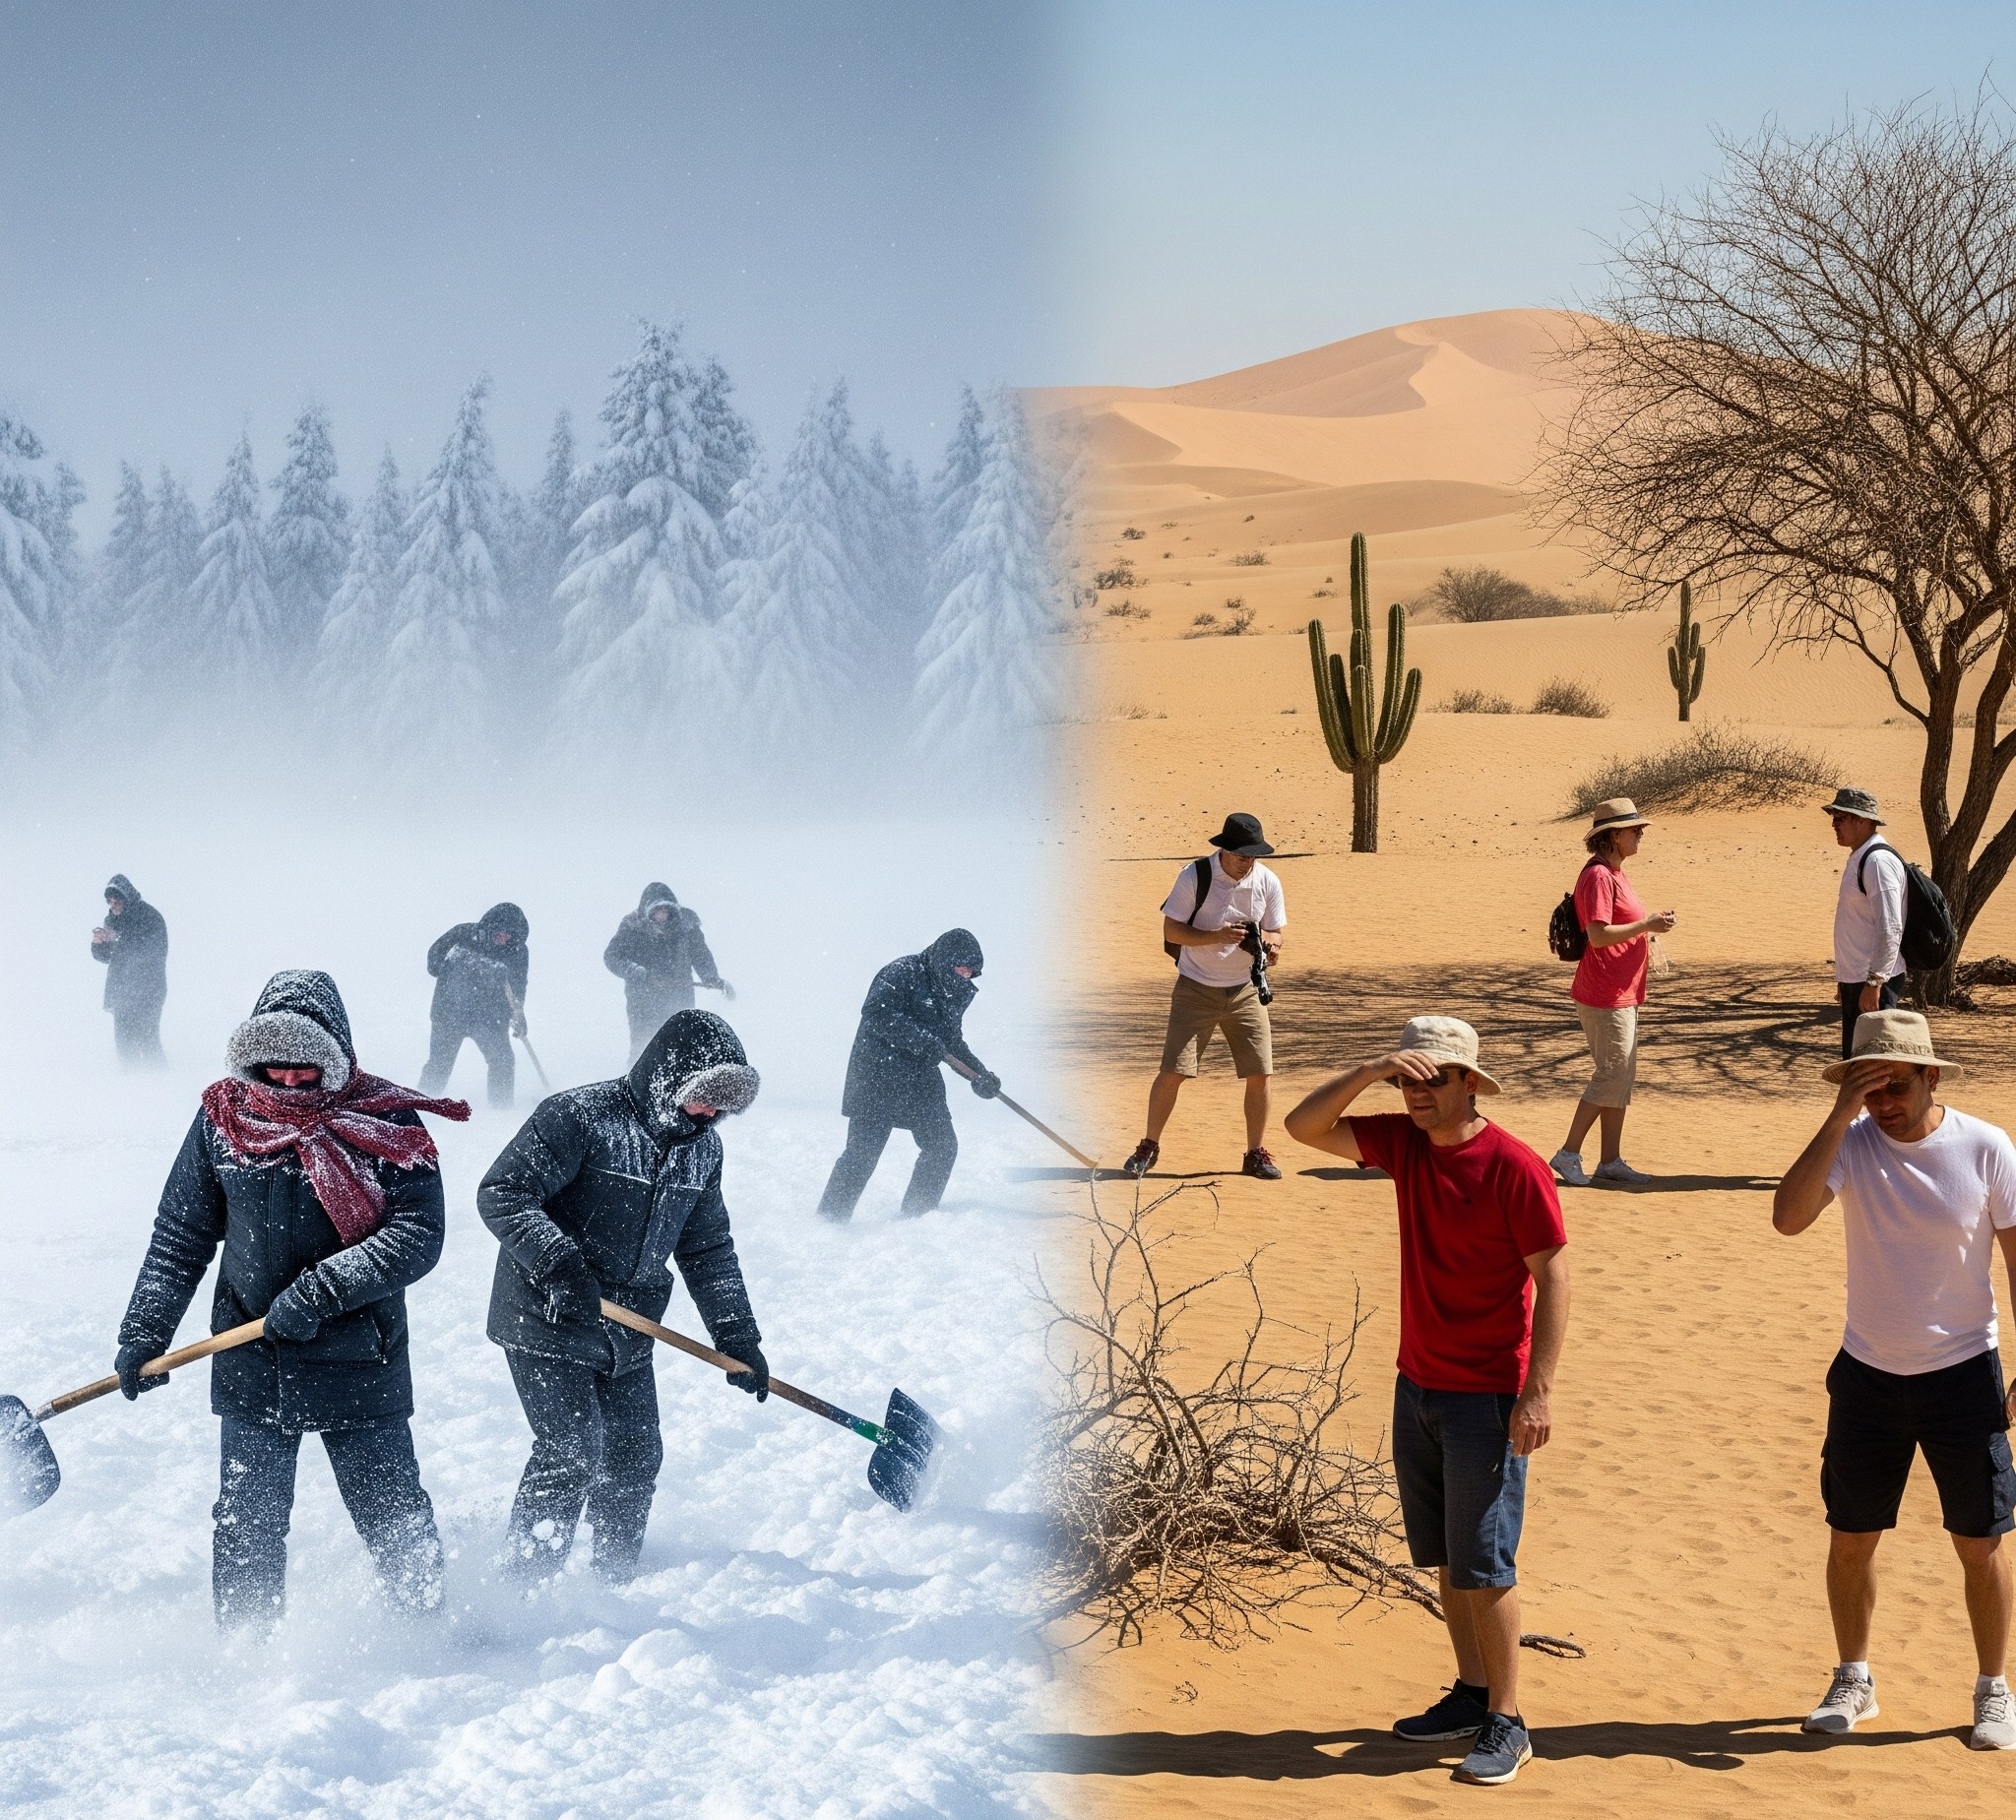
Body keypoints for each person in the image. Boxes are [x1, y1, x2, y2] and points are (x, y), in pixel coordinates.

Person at [111, 970, 470, 1632]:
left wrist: (320, 1291)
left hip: (361, 1357)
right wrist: (145, 1331)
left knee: (392, 1512)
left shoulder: (385, 1119)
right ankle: (247, 1654)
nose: (291, 1084)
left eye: (308, 1071)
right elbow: (180, 1235)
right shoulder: (224, 1117)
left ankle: (427, 1636)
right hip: (254, 1356)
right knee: (247, 1523)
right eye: (275, 1069)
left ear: (336, 1056)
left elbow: (419, 1232)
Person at [1284, 1016, 1569, 1788]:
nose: (1415, 1093)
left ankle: (1509, 1720)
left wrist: (1536, 1392)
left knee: (1486, 1562)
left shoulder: (1514, 1165)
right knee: (1447, 1554)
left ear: (1470, 1082)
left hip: (1488, 1397)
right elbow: (1302, 1125)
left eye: (1431, 1078)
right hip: (1418, 1386)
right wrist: (1369, 1065)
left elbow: (1557, 1278)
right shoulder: (1403, 1143)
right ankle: (1473, 1692)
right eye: (1407, 1078)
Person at [1771, 1009, 2016, 1751]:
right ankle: (1854, 1677)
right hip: (1868, 1374)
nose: (1884, 1102)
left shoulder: (1985, 1147)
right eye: (1868, 1086)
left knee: (1981, 1542)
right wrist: (1841, 1110)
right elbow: (1787, 1217)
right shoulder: (1852, 1142)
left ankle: (1994, 1689)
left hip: (1965, 1374)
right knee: (1851, 1538)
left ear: (1931, 1074)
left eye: (1894, 1085)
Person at [477, 1008, 770, 1584]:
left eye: (721, 1105)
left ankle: (614, 1582)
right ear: (669, 1078)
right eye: (703, 1096)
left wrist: (738, 1336)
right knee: (570, 1454)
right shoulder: (579, 1116)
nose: (711, 1113)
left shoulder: (702, 1151)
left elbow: (707, 1250)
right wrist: (559, 1263)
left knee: (636, 1458)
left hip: (631, 1325)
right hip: (548, 1314)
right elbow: (503, 1192)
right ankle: (521, 1591)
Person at [1122, 812, 1288, 1182]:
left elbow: (1276, 929)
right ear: (1224, 850)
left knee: (1260, 1073)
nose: (1248, 861)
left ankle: (1254, 1153)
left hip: (1245, 989)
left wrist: (1271, 948)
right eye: (1242, 854)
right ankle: (1148, 1145)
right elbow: (1172, 929)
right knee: (1173, 1072)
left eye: (1254, 855)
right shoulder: (1194, 877)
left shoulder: (1267, 880)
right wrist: (1217, 936)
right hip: (1196, 988)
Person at [816, 929, 1000, 1223]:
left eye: (970, 973)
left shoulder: (959, 990)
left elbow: (951, 1040)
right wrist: (921, 1040)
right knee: (862, 1155)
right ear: (944, 961)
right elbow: (876, 1013)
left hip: (920, 1080)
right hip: (877, 1074)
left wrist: (979, 1075)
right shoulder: (903, 972)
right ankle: (829, 1221)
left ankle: (918, 1217)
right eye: (960, 969)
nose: (964, 977)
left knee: (942, 1147)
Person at [1548, 798, 1675, 1187]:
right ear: (1613, 836)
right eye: (1634, 829)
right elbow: (1598, 935)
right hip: (1603, 994)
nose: (1640, 835)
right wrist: (1646, 925)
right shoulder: (1599, 877)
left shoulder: (1615, 873)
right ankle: (1568, 1154)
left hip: (1622, 992)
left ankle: (1610, 1160)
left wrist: (1648, 928)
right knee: (1611, 1074)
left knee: (1620, 1078)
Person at [603, 882, 734, 1062]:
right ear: (647, 911)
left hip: (679, 994)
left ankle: (680, 1083)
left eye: (665, 910)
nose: (661, 915)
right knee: (644, 1047)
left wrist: (710, 977)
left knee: (681, 1044)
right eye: (657, 911)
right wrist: (638, 973)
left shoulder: (687, 927)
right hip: (642, 999)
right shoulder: (632, 927)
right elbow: (611, 957)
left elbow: (701, 955)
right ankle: (635, 1082)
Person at [418, 902, 530, 1108]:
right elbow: (433, 964)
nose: (503, 937)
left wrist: (518, 1014)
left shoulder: (518, 952)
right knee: (439, 1066)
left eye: (509, 935)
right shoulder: (462, 935)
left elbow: (518, 986)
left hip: (491, 1020)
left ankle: (501, 1114)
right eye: (499, 931)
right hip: (449, 1013)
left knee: (503, 1062)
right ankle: (420, 1110)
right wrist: (468, 963)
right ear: (489, 926)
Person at [1825, 786, 1908, 1060]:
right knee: (1856, 1063)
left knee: (1874, 1066)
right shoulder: (1860, 856)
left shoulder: (1877, 862)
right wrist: (1844, 978)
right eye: (1834, 817)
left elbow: (1891, 927)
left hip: (1873, 982)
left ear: (1861, 820)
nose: (1833, 824)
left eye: (1840, 818)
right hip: (1858, 980)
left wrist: (1874, 983)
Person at [91, 873, 169, 1066]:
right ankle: (129, 1084)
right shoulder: (112, 920)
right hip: (122, 991)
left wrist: (117, 940)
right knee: (123, 1042)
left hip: (148, 990)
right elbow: (107, 957)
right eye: (109, 901)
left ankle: (160, 1081)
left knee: (147, 1038)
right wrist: (99, 944)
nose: (112, 904)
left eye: (116, 899)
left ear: (126, 897)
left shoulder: (150, 917)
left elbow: (154, 951)